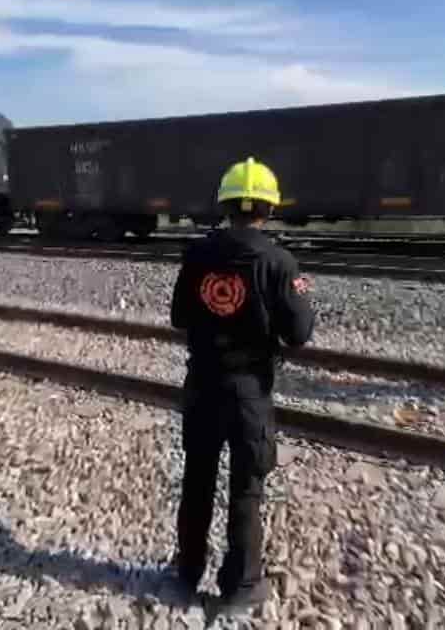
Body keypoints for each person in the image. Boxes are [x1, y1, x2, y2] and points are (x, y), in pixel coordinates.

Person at [168, 156, 315, 614]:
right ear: (267, 209)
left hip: (203, 384)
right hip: (249, 390)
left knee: (197, 481)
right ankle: (242, 585)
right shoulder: (278, 261)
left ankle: (187, 574)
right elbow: (299, 333)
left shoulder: (197, 255)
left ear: (225, 205)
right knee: (246, 488)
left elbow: (178, 318)